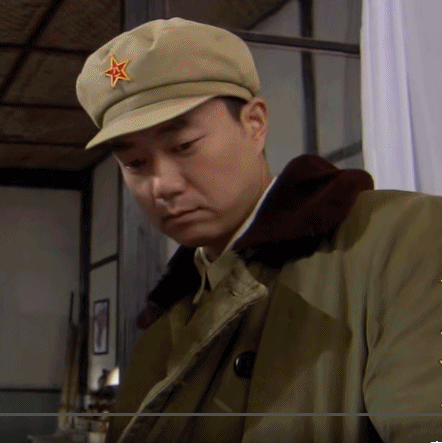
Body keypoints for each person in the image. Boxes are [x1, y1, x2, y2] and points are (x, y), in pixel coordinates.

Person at [75, 17, 442, 443]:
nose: (162, 185)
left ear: (254, 123)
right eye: (135, 163)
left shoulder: (399, 238)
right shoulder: (165, 320)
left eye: (183, 146)